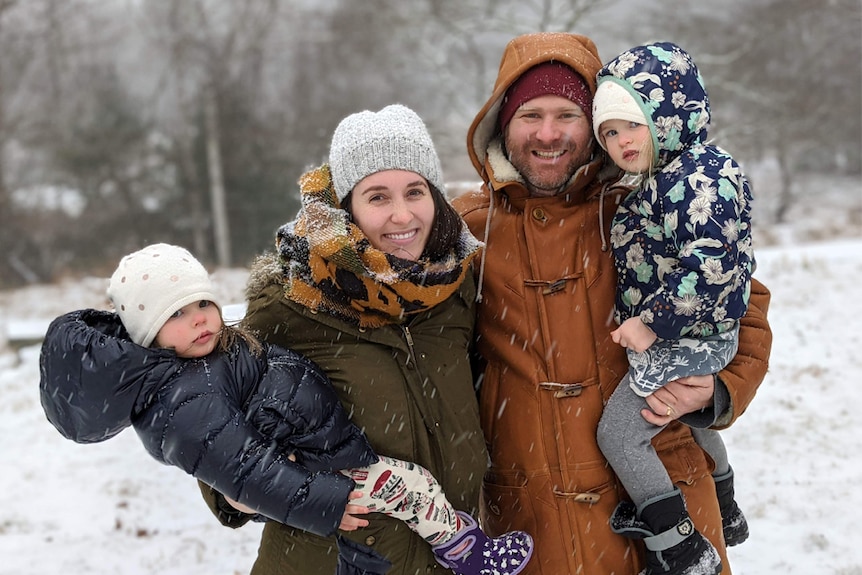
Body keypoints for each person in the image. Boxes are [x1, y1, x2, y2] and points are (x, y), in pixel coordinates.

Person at [451, 32, 773, 575]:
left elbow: (744, 308)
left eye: (568, 115)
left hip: (665, 519)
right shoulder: (464, 230)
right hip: (531, 522)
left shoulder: (645, 205)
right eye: (530, 114)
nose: (548, 134)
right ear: (502, 123)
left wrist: (718, 392)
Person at [39, 241, 533, 575]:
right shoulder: (185, 397)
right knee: (414, 487)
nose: (199, 321)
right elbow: (244, 470)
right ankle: (469, 554)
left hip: (326, 451)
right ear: (147, 333)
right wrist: (325, 501)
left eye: (202, 305)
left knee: (375, 535)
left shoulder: (215, 355)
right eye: (176, 314)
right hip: (324, 471)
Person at [197, 104, 516, 575]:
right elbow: (214, 419)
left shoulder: (453, 287)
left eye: (415, 191)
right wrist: (241, 490)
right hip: (329, 561)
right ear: (346, 206)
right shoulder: (290, 304)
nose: (402, 214)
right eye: (378, 197)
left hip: (445, 560)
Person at [590, 41, 754, 575]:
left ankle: (680, 546)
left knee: (619, 434)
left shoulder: (701, 179)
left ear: (666, 114)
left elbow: (711, 263)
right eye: (608, 133)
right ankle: (726, 506)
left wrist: (649, 323)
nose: (620, 142)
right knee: (695, 419)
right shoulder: (664, 180)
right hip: (696, 334)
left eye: (631, 124)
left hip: (687, 336)